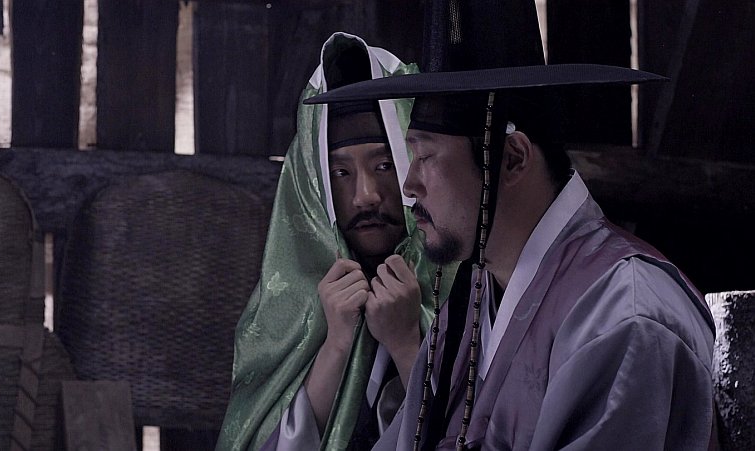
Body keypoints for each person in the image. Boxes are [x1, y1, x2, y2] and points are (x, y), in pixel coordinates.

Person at [304, 2, 716, 449]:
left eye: (426, 157)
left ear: (513, 157)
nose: (409, 185)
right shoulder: (473, 299)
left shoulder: (621, 316)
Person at [216, 32, 457, 451]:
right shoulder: (281, 315)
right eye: (340, 173)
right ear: (314, 186)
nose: (365, 196)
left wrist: (405, 343)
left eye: (385, 165)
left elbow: (471, 434)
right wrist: (336, 344)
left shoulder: (469, 290)